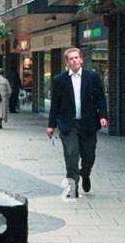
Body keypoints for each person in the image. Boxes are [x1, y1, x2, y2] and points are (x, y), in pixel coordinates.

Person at [46, 48, 108, 197]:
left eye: (76, 58)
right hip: (68, 124)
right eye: (70, 59)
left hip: (88, 124)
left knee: (89, 155)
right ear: (67, 62)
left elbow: (100, 98)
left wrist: (103, 116)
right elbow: (55, 104)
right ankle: (73, 186)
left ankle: (85, 174)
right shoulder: (60, 80)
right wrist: (51, 125)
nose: (73, 61)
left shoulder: (92, 77)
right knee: (71, 155)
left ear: (81, 60)